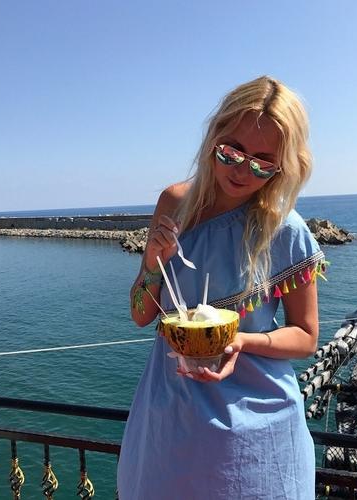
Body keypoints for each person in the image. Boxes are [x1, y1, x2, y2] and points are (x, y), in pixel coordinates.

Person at [117, 76, 325, 499]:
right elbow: (141, 313)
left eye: (262, 163)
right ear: (214, 136)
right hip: (169, 419)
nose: (242, 171)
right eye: (231, 152)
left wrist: (240, 341)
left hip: (258, 430)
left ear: (283, 167)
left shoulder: (284, 229)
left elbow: (306, 337)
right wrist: (153, 262)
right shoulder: (174, 204)